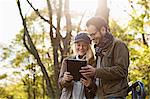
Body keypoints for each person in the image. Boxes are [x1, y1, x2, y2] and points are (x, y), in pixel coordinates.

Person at [80, 17, 129, 99]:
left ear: (103, 30)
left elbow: (122, 71)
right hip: (100, 95)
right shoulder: (99, 48)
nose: (91, 38)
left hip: (115, 95)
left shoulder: (118, 45)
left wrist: (96, 71)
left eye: (93, 34)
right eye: (90, 35)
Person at [58, 33, 97, 99]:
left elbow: (98, 87)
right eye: (78, 45)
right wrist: (65, 79)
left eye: (84, 45)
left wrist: (90, 84)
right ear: (75, 46)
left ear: (88, 46)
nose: (81, 48)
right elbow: (60, 84)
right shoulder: (67, 61)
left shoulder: (93, 63)